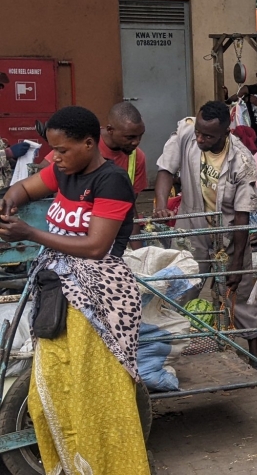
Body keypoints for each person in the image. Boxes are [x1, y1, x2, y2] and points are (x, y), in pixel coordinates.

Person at [0, 106, 149, 474]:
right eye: (52, 150)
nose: (55, 158)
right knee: (50, 392)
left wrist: (30, 233)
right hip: (57, 294)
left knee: (93, 396)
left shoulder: (110, 181)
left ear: (88, 143)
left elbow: (97, 247)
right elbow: (23, 187)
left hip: (98, 301)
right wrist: (9, 200)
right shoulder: (63, 171)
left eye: (63, 150)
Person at [153, 101, 257, 362]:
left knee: (240, 291)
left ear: (226, 132)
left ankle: (255, 353)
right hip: (191, 226)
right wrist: (160, 205)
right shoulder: (186, 131)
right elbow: (166, 169)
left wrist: (236, 262)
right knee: (181, 285)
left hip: (229, 230)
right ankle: (171, 351)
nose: (200, 139)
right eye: (199, 134)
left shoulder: (242, 160)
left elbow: (242, 215)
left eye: (208, 136)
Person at [41, 102, 148, 196]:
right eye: (130, 137)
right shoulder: (85, 141)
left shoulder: (138, 157)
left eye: (140, 135)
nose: (136, 142)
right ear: (110, 130)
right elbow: (42, 170)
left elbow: (130, 198)